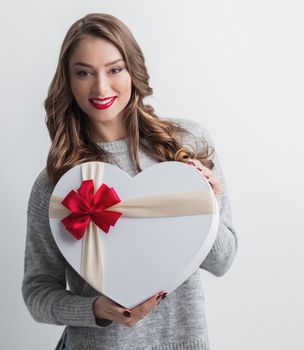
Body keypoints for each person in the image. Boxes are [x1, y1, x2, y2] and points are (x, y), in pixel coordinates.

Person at [21, 13, 238, 350]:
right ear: (68, 81)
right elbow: (37, 291)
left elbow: (222, 261)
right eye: (84, 73)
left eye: (114, 69)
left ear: (133, 70)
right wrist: (94, 309)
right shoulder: (56, 185)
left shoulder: (186, 144)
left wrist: (199, 204)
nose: (101, 87)